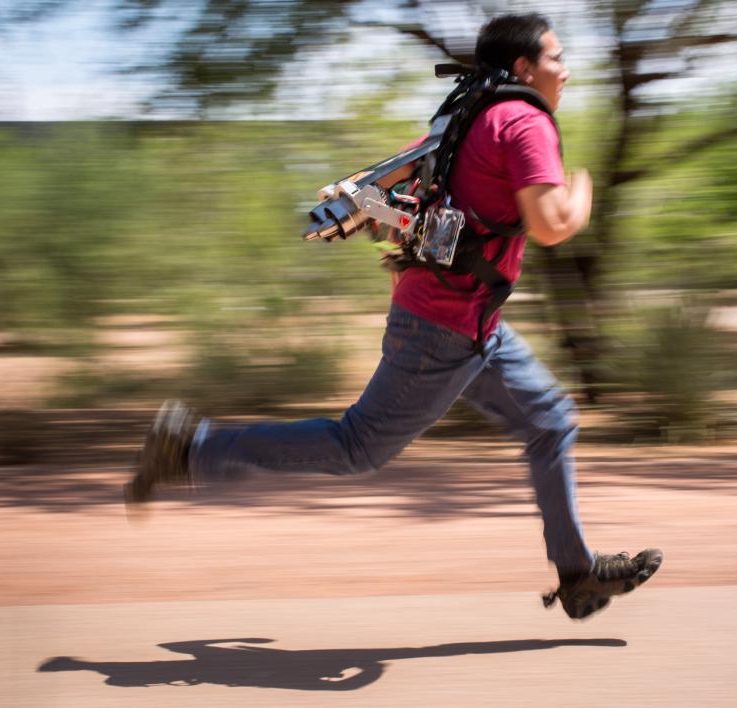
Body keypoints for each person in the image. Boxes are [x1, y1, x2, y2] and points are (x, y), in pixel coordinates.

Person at [124, 13, 662, 621]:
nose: (565, 70)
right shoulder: (527, 119)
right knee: (357, 447)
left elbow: (376, 182)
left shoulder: (465, 113)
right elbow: (551, 224)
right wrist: (583, 189)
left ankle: (577, 575)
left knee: (550, 422)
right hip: (444, 330)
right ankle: (191, 450)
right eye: (556, 58)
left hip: (469, 323)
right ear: (523, 68)